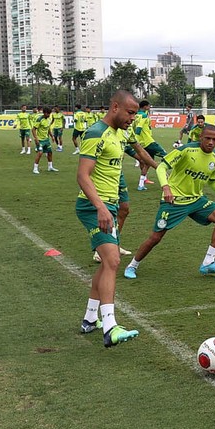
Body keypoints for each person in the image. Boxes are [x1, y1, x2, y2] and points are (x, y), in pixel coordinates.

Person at [76, 90, 157, 347]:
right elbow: (83, 176)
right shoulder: (95, 133)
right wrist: (100, 207)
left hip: (108, 206)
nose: (134, 117)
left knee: (106, 264)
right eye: (130, 112)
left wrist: (164, 168)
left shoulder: (121, 133)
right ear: (115, 107)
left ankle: (90, 319)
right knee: (111, 260)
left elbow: (140, 153)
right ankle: (110, 326)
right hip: (93, 207)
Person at [124, 124, 215, 280]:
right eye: (207, 138)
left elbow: (212, 181)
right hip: (174, 201)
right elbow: (161, 167)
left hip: (196, 200)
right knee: (155, 237)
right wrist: (166, 188)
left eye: (214, 140)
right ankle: (132, 265)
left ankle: (208, 262)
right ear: (201, 137)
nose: (210, 142)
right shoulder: (186, 150)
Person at [133, 100, 169, 190]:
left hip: (143, 143)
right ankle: (170, 179)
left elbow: (134, 127)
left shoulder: (136, 115)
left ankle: (141, 185)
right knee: (168, 156)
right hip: (149, 142)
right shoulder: (144, 115)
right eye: (148, 106)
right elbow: (138, 128)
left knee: (147, 163)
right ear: (145, 106)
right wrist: (135, 140)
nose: (149, 107)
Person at [31, 106, 60, 174]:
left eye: (49, 113)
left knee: (50, 153)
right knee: (40, 153)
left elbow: (48, 128)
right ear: (44, 113)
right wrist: (36, 138)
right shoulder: (39, 119)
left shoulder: (49, 119)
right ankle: (35, 168)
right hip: (40, 140)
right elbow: (33, 129)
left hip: (46, 140)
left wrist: (52, 136)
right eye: (48, 113)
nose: (49, 115)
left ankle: (50, 167)